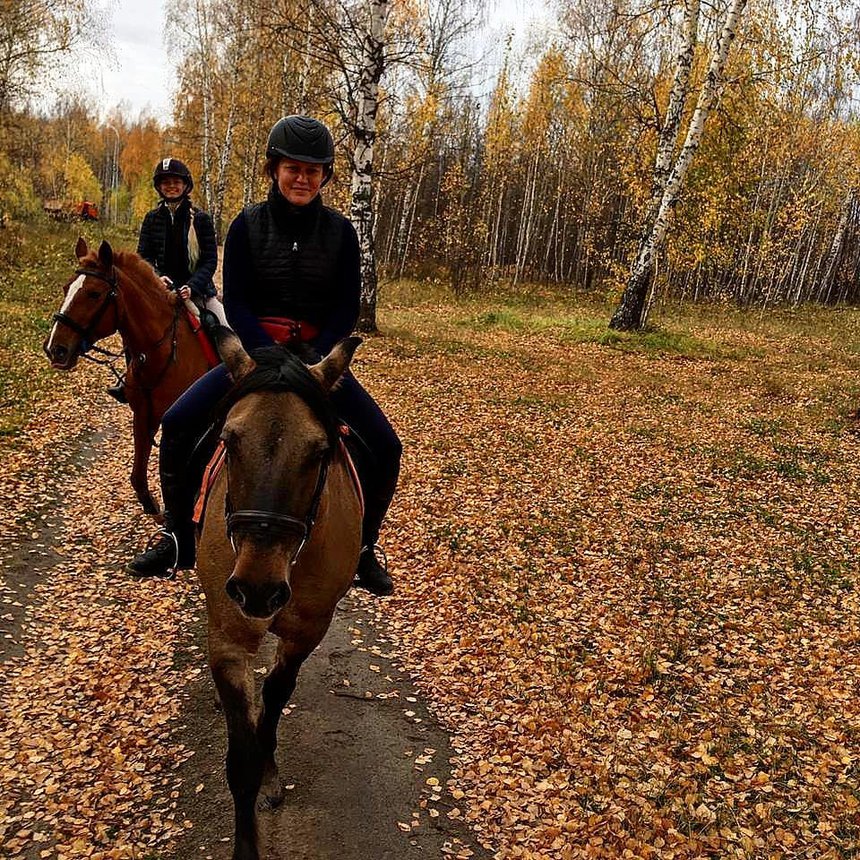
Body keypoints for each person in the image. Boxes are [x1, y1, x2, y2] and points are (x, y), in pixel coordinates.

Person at [126, 116, 401, 597]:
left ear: (325, 177)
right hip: (255, 355)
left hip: (316, 363)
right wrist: (261, 356)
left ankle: (363, 548)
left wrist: (316, 362)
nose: (303, 178)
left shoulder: (342, 234)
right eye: (294, 168)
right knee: (180, 421)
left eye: (314, 171)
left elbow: (346, 307)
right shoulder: (246, 225)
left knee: (386, 445)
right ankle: (176, 537)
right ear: (274, 169)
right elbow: (238, 299)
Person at [107, 158, 224, 402]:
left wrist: (192, 287)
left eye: (176, 182)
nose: (171, 186)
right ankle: (128, 379)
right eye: (166, 182)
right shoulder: (152, 219)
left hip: (197, 291)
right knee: (134, 326)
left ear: (185, 185)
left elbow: (210, 260)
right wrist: (157, 277)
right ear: (159, 187)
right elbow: (144, 256)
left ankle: (229, 375)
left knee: (220, 325)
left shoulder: (201, 220)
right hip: (161, 292)